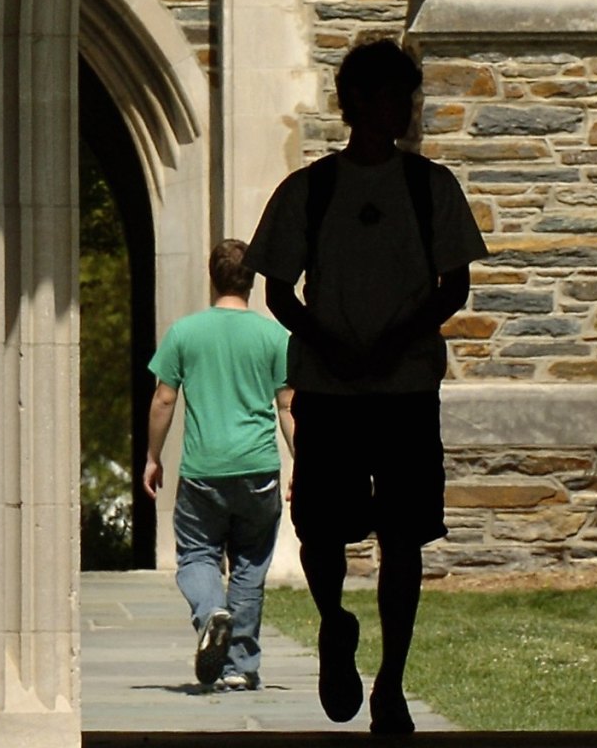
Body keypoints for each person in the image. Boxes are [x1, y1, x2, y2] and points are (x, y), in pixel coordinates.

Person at [246, 39, 488, 735]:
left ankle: (392, 683)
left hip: (405, 390)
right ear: (356, 103)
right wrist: (333, 346)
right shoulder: (312, 190)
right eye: (390, 96)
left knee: (403, 539)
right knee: (321, 530)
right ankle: (333, 623)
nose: (402, 110)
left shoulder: (430, 186)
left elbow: (456, 284)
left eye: (406, 98)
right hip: (329, 389)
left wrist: (393, 343)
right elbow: (278, 289)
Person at [142, 238, 295, 691]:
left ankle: (211, 613)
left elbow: (164, 398)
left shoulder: (185, 333)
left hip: (204, 471)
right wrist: (299, 463)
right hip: (259, 468)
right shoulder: (275, 337)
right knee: (250, 563)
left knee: (196, 554)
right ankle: (239, 668)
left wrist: (153, 456)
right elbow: (289, 406)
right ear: (253, 280)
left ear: (212, 276)